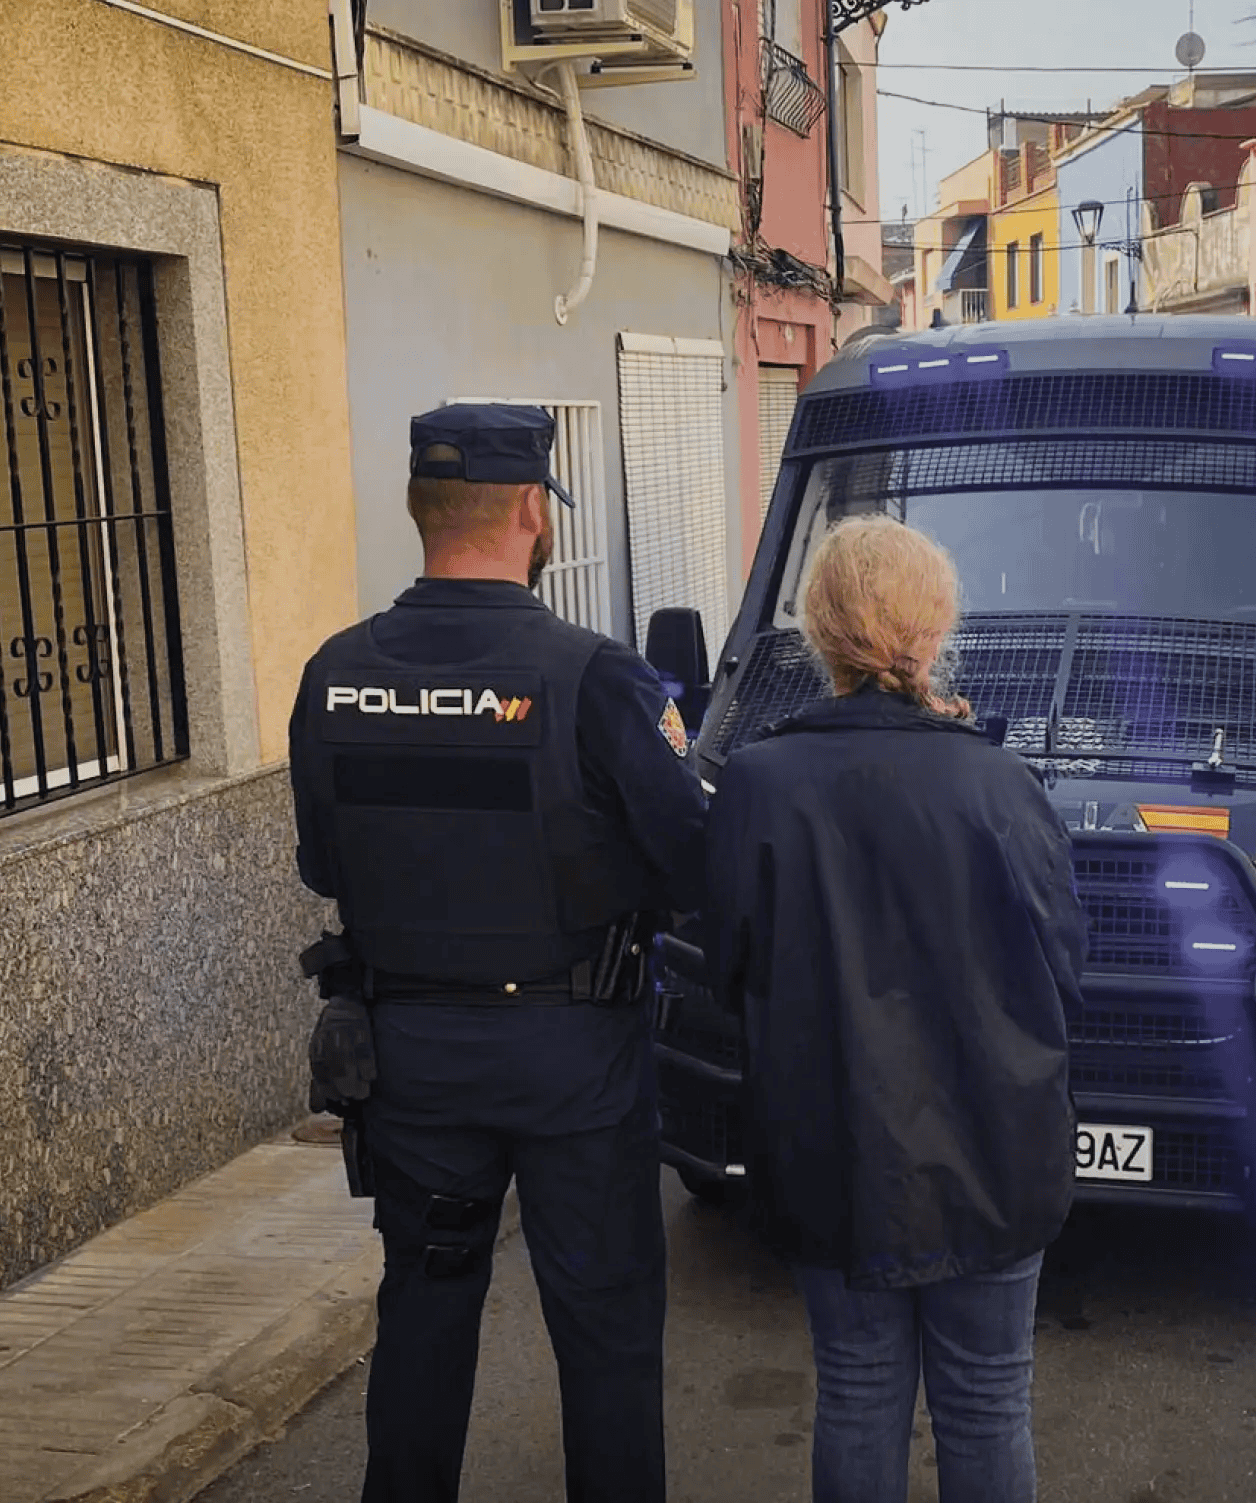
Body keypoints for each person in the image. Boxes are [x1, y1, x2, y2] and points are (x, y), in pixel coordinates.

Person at [288, 403, 705, 1503]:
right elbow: (691, 861)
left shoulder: (334, 675)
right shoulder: (595, 677)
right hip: (577, 1064)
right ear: (533, 512)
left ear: (420, 512)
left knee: (424, 1321)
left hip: (413, 1062)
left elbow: (324, 865)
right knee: (606, 1331)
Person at [703, 515, 1086, 1503]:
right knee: (989, 1400)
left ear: (817, 631)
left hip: (831, 1148)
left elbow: (726, 960)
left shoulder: (757, 781)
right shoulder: (999, 782)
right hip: (993, 1148)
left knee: (858, 1390)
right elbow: (1064, 966)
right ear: (935, 630)